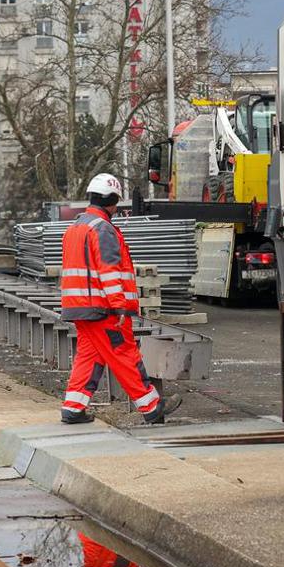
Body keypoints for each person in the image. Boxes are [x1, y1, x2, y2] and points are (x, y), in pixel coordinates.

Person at [58, 173, 180, 425]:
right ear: (112, 200)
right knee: (124, 354)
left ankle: (73, 407)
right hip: (104, 310)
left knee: (89, 356)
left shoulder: (75, 228)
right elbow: (109, 272)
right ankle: (152, 407)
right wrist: (120, 306)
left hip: (79, 308)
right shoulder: (102, 229)